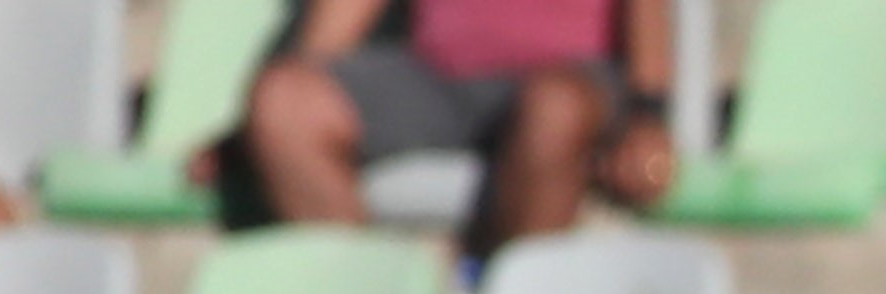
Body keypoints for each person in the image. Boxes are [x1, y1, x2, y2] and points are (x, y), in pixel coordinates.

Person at [238, 0, 676, 252]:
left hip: (570, 79)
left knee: (555, 111)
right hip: (436, 77)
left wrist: (649, 116)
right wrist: (251, 135)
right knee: (285, 103)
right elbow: (335, 27)